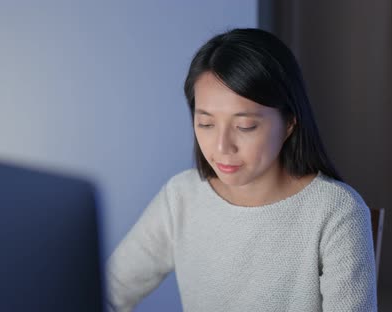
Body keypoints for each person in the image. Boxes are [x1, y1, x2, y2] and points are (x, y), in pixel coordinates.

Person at [105, 28, 377, 312]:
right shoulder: (181, 197)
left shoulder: (336, 211)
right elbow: (110, 289)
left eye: (244, 126)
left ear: (289, 123)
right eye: (206, 124)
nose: (222, 146)